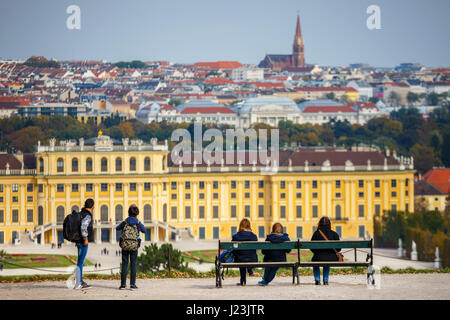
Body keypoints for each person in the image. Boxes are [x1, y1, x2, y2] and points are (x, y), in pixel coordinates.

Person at [116, 204, 146, 290]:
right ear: (137, 214)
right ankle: (132, 285)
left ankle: (123, 285)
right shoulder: (137, 223)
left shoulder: (125, 222)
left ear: (128, 213)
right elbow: (144, 231)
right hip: (134, 246)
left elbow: (117, 228)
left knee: (124, 265)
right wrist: (139, 223)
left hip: (125, 245)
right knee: (133, 265)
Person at [310, 216, 341, 285]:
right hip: (331, 258)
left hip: (318, 257)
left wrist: (317, 252)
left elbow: (311, 247)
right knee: (327, 261)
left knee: (315, 263)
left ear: (319, 224)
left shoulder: (316, 233)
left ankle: (317, 280)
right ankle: (325, 280)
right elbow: (339, 248)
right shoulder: (334, 233)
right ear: (329, 224)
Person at [75, 198, 95, 289]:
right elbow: (83, 227)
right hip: (82, 242)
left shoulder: (81, 214)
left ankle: (80, 281)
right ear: (93, 207)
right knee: (80, 262)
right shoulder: (87, 215)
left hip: (79, 241)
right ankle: (78, 283)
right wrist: (85, 238)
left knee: (80, 262)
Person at [231, 218, 258, 286]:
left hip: (239, 259)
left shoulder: (235, 236)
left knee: (241, 257)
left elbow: (234, 249)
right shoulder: (254, 236)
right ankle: (250, 271)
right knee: (247, 255)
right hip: (252, 260)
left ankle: (243, 281)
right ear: (249, 226)